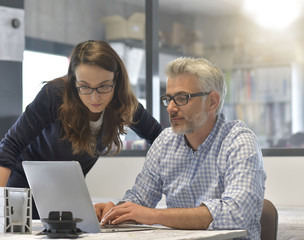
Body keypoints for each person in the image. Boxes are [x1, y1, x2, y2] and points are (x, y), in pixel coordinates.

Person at [0, 40, 163, 224]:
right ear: (74, 82)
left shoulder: (125, 103)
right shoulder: (54, 96)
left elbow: (162, 139)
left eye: (104, 87)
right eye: (84, 87)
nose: (94, 97)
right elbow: (9, 146)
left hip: (63, 198)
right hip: (21, 194)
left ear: (117, 81)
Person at [95, 57, 266, 239]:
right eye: (168, 99)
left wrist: (152, 215)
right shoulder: (165, 141)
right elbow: (139, 200)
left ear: (212, 102)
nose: (170, 108)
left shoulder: (238, 141)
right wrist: (115, 211)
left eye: (182, 98)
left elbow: (235, 214)